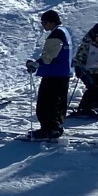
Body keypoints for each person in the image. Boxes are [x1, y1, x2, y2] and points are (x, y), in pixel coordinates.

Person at [25, 10, 73, 139]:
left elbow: (50, 54)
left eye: (44, 23)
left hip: (53, 74)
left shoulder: (56, 33)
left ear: (51, 22)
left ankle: (48, 129)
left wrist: (36, 64)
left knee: (46, 103)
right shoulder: (64, 31)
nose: (43, 25)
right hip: (62, 73)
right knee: (57, 102)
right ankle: (55, 127)